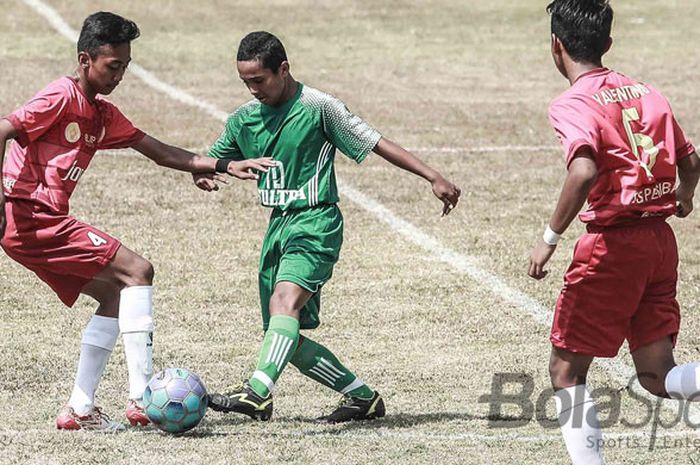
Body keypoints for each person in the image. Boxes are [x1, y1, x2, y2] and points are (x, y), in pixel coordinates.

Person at [0, 12, 274, 432]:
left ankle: (80, 409)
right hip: (29, 216)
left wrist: (224, 163)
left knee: (115, 294)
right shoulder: (60, 96)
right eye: (113, 66)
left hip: (36, 224)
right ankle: (143, 397)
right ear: (85, 59)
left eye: (125, 67)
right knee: (137, 270)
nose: (120, 75)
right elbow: (4, 128)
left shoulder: (102, 114)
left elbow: (160, 151)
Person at [196, 31, 461, 423]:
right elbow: (209, 159)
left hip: (316, 222)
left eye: (259, 80)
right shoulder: (244, 119)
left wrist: (432, 175)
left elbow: (375, 141)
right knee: (284, 335)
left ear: (283, 69)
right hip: (278, 229)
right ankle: (362, 399)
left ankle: (257, 392)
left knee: (283, 304)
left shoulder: (319, 107)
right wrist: (204, 174)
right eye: (245, 82)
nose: (253, 90)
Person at [528, 1, 700, 463]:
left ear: (556, 47)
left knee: (566, 373)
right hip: (659, 243)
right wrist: (684, 196)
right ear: (607, 43)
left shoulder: (572, 102)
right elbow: (691, 161)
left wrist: (549, 238)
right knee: (658, 377)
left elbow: (583, 171)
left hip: (612, 247)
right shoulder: (647, 92)